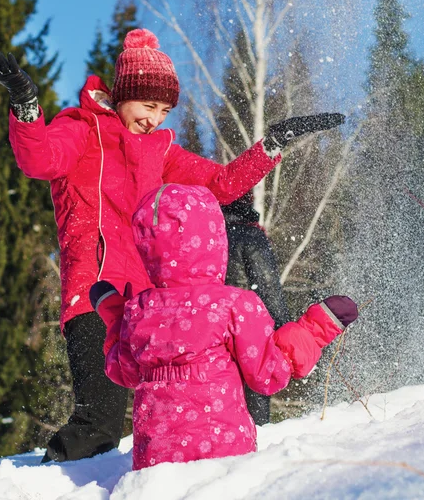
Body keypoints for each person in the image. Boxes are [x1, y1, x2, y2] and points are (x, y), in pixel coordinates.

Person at [0, 29, 345, 463]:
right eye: (149, 106)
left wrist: (272, 144)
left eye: (165, 110)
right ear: (123, 94)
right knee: (99, 420)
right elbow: (37, 159)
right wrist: (25, 105)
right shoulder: (82, 130)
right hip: (95, 294)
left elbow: (221, 184)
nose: (156, 118)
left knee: (174, 416)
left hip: (149, 307)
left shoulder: (161, 149)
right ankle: (42, 488)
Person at [89, 183, 358, 470]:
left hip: (155, 464)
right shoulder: (233, 304)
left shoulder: (139, 310)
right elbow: (268, 373)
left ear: (148, 245)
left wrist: (116, 318)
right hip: (224, 456)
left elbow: (123, 370)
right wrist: (313, 331)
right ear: (214, 239)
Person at [221, 192, 290, 425]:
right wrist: (284, 329)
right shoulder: (250, 236)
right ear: (247, 203)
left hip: (213, 330)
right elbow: (268, 287)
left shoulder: (210, 235)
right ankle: (255, 451)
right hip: (250, 331)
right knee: (255, 398)